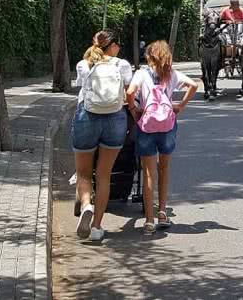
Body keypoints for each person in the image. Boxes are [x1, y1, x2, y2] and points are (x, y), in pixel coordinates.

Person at [126, 41, 197, 235]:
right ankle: (163, 212)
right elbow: (193, 84)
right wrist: (180, 106)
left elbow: (130, 92)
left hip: (147, 125)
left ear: (149, 56)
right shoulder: (172, 74)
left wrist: (134, 111)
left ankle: (149, 221)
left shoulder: (141, 73)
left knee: (149, 174)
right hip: (167, 126)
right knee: (164, 168)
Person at [71, 30, 133, 241]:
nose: (120, 48)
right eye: (118, 44)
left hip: (87, 116)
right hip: (115, 118)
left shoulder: (84, 63)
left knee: (84, 173)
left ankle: (87, 204)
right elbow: (128, 92)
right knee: (104, 174)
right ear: (112, 45)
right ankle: (97, 227)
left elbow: (81, 87)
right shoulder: (122, 64)